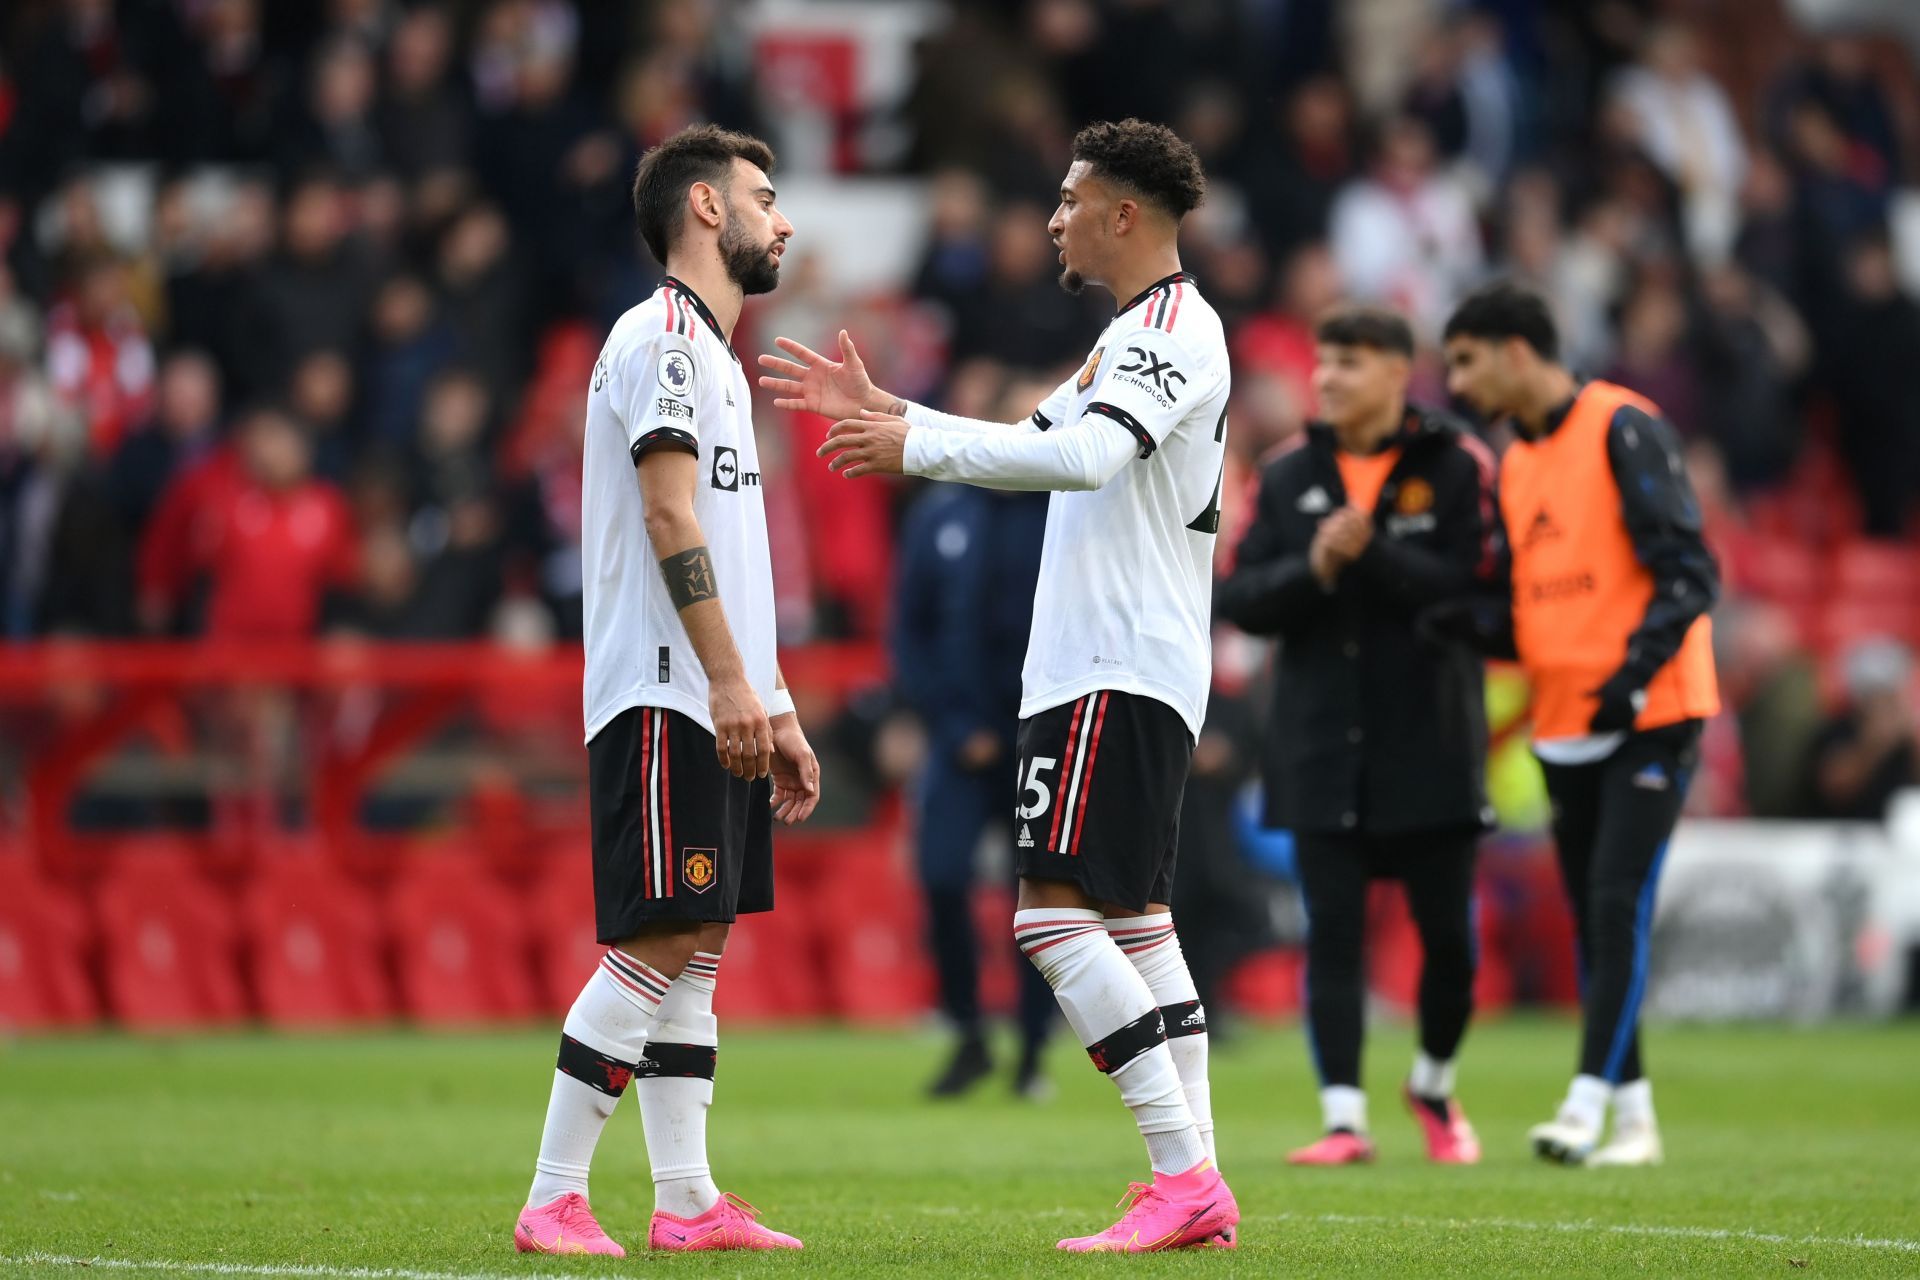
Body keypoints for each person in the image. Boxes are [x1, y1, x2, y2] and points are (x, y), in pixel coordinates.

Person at [761, 119, 1236, 1253]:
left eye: (1073, 200)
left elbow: (1081, 459)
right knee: (1138, 921)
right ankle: (1198, 1177)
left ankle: (1181, 1173)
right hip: (1116, 663)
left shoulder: (1175, 329)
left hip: (1116, 664)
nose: (1055, 218)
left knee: (1048, 917)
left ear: (1127, 213)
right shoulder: (1123, 338)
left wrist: (915, 443)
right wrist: (898, 417)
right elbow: (1033, 436)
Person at [513, 125, 820, 1257]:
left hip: (720, 692)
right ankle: (553, 1193)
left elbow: (737, 552)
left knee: (698, 944)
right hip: (665, 687)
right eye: (764, 196)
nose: (781, 220)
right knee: (663, 933)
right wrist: (733, 682)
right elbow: (669, 516)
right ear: (705, 207)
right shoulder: (661, 342)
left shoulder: (716, 360)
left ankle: (686, 1199)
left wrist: (774, 703)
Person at [1439, 282, 1720, 1168]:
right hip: (1564, 722)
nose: (1456, 381)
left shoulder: (1623, 426)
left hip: (1651, 712)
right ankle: (1635, 1121)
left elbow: (1689, 571)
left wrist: (1631, 681)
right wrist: (1447, 617)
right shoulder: (1515, 462)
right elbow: (1532, 614)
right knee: (1599, 913)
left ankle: (1585, 1101)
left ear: (1518, 350)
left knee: (1612, 903)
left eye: (1465, 359)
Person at [1217, 305, 1498, 1167]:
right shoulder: (1289, 470)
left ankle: (1435, 1086)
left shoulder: (1455, 466)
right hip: (1317, 743)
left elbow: (1480, 592)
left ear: (1395, 373)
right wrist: (1319, 568)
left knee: (1448, 941)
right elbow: (1242, 599)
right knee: (1331, 933)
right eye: (1323, 363)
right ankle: (1344, 1119)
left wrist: (1374, 555)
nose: (1327, 379)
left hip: (1432, 741)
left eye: (1348, 364)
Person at [891, 479, 1057, 1099]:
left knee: (1041, 896)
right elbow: (910, 629)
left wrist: (1035, 728)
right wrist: (952, 725)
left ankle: (1034, 1048)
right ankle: (968, 1033)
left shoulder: (1062, 509)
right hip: (959, 745)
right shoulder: (941, 514)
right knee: (940, 876)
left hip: (1037, 741)